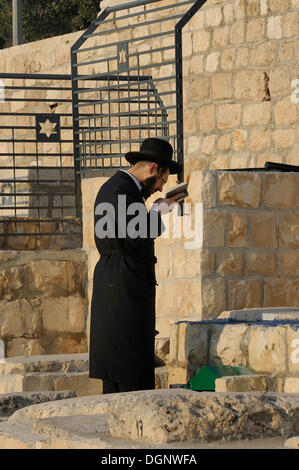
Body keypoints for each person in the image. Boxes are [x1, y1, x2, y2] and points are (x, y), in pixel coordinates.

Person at [89, 137, 184, 394]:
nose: (160, 187)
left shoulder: (121, 188)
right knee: (127, 370)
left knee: (124, 367)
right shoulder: (120, 190)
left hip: (121, 282)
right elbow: (135, 234)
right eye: (163, 179)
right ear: (153, 168)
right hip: (122, 285)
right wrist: (158, 211)